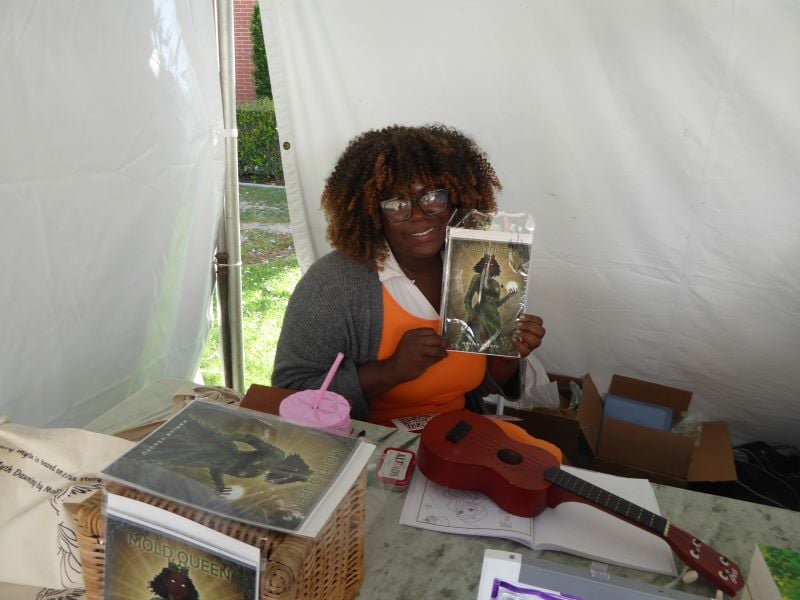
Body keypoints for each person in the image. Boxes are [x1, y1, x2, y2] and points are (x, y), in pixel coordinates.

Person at [272, 124, 546, 426]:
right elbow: (288, 392)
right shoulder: (334, 283)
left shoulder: (477, 266)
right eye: (397, 204)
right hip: (366, 444)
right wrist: (392, 370)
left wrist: (506, 355)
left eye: (432, 198)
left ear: (455, 199)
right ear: (373, 211)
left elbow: (478, 384)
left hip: (457, 437)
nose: (417, 214)